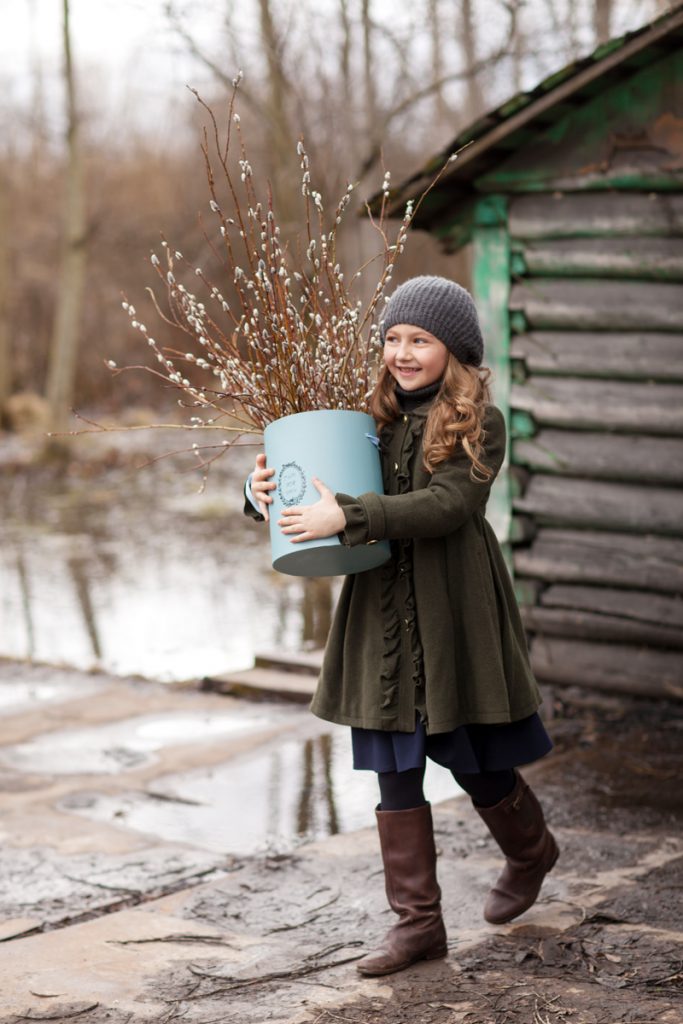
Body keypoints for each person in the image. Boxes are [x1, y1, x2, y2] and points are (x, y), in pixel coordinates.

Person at [245, 275, 558, 978]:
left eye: (420, 340)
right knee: (393, 761)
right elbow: (315, 488)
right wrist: (261, 488)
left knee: (470, 756)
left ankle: (531, 849)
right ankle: (417, 926)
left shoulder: (480, 421)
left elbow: (447, 506)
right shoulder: (366, 421)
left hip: (453, 611)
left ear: (455, 350)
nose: (403, 352)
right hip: (381, 611)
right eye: (392, 338)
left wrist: (351, 516)